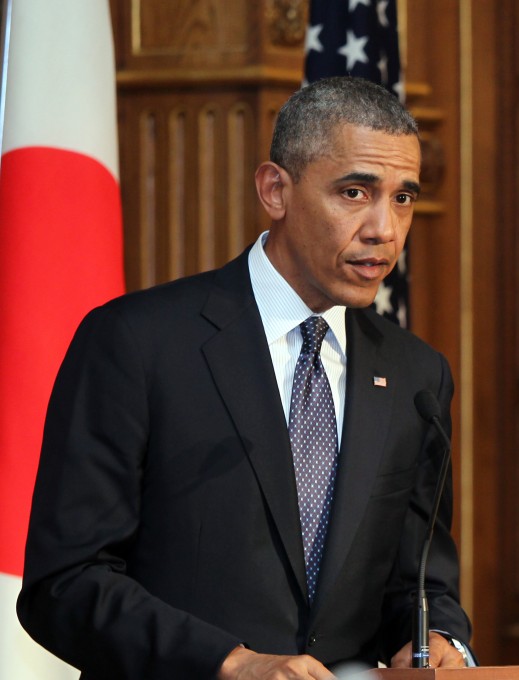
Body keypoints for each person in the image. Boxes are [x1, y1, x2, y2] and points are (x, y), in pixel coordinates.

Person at [18, 76, 473, 679]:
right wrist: (228, 664)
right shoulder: (137, 343)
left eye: (403, 198)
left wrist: (438, 636)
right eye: (355, 192)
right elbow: (65, 583)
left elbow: (419, 581)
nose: (384, 230)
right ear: (276, 189)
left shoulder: (417, 374)